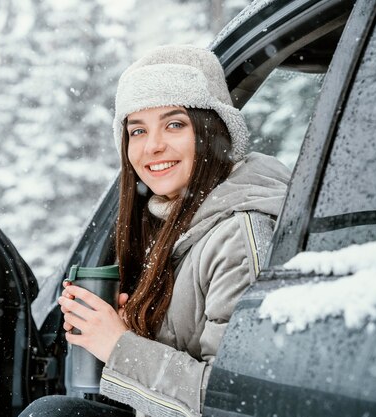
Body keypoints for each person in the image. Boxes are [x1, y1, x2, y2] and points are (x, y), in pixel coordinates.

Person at [20, 44, 290, 417]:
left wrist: (118, 345)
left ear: (212, 129)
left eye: (174, 124)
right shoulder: (169, 223)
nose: (153, 146)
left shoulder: (241, 236)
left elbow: (239, 402)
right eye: (137, 130)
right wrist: (128, 324)